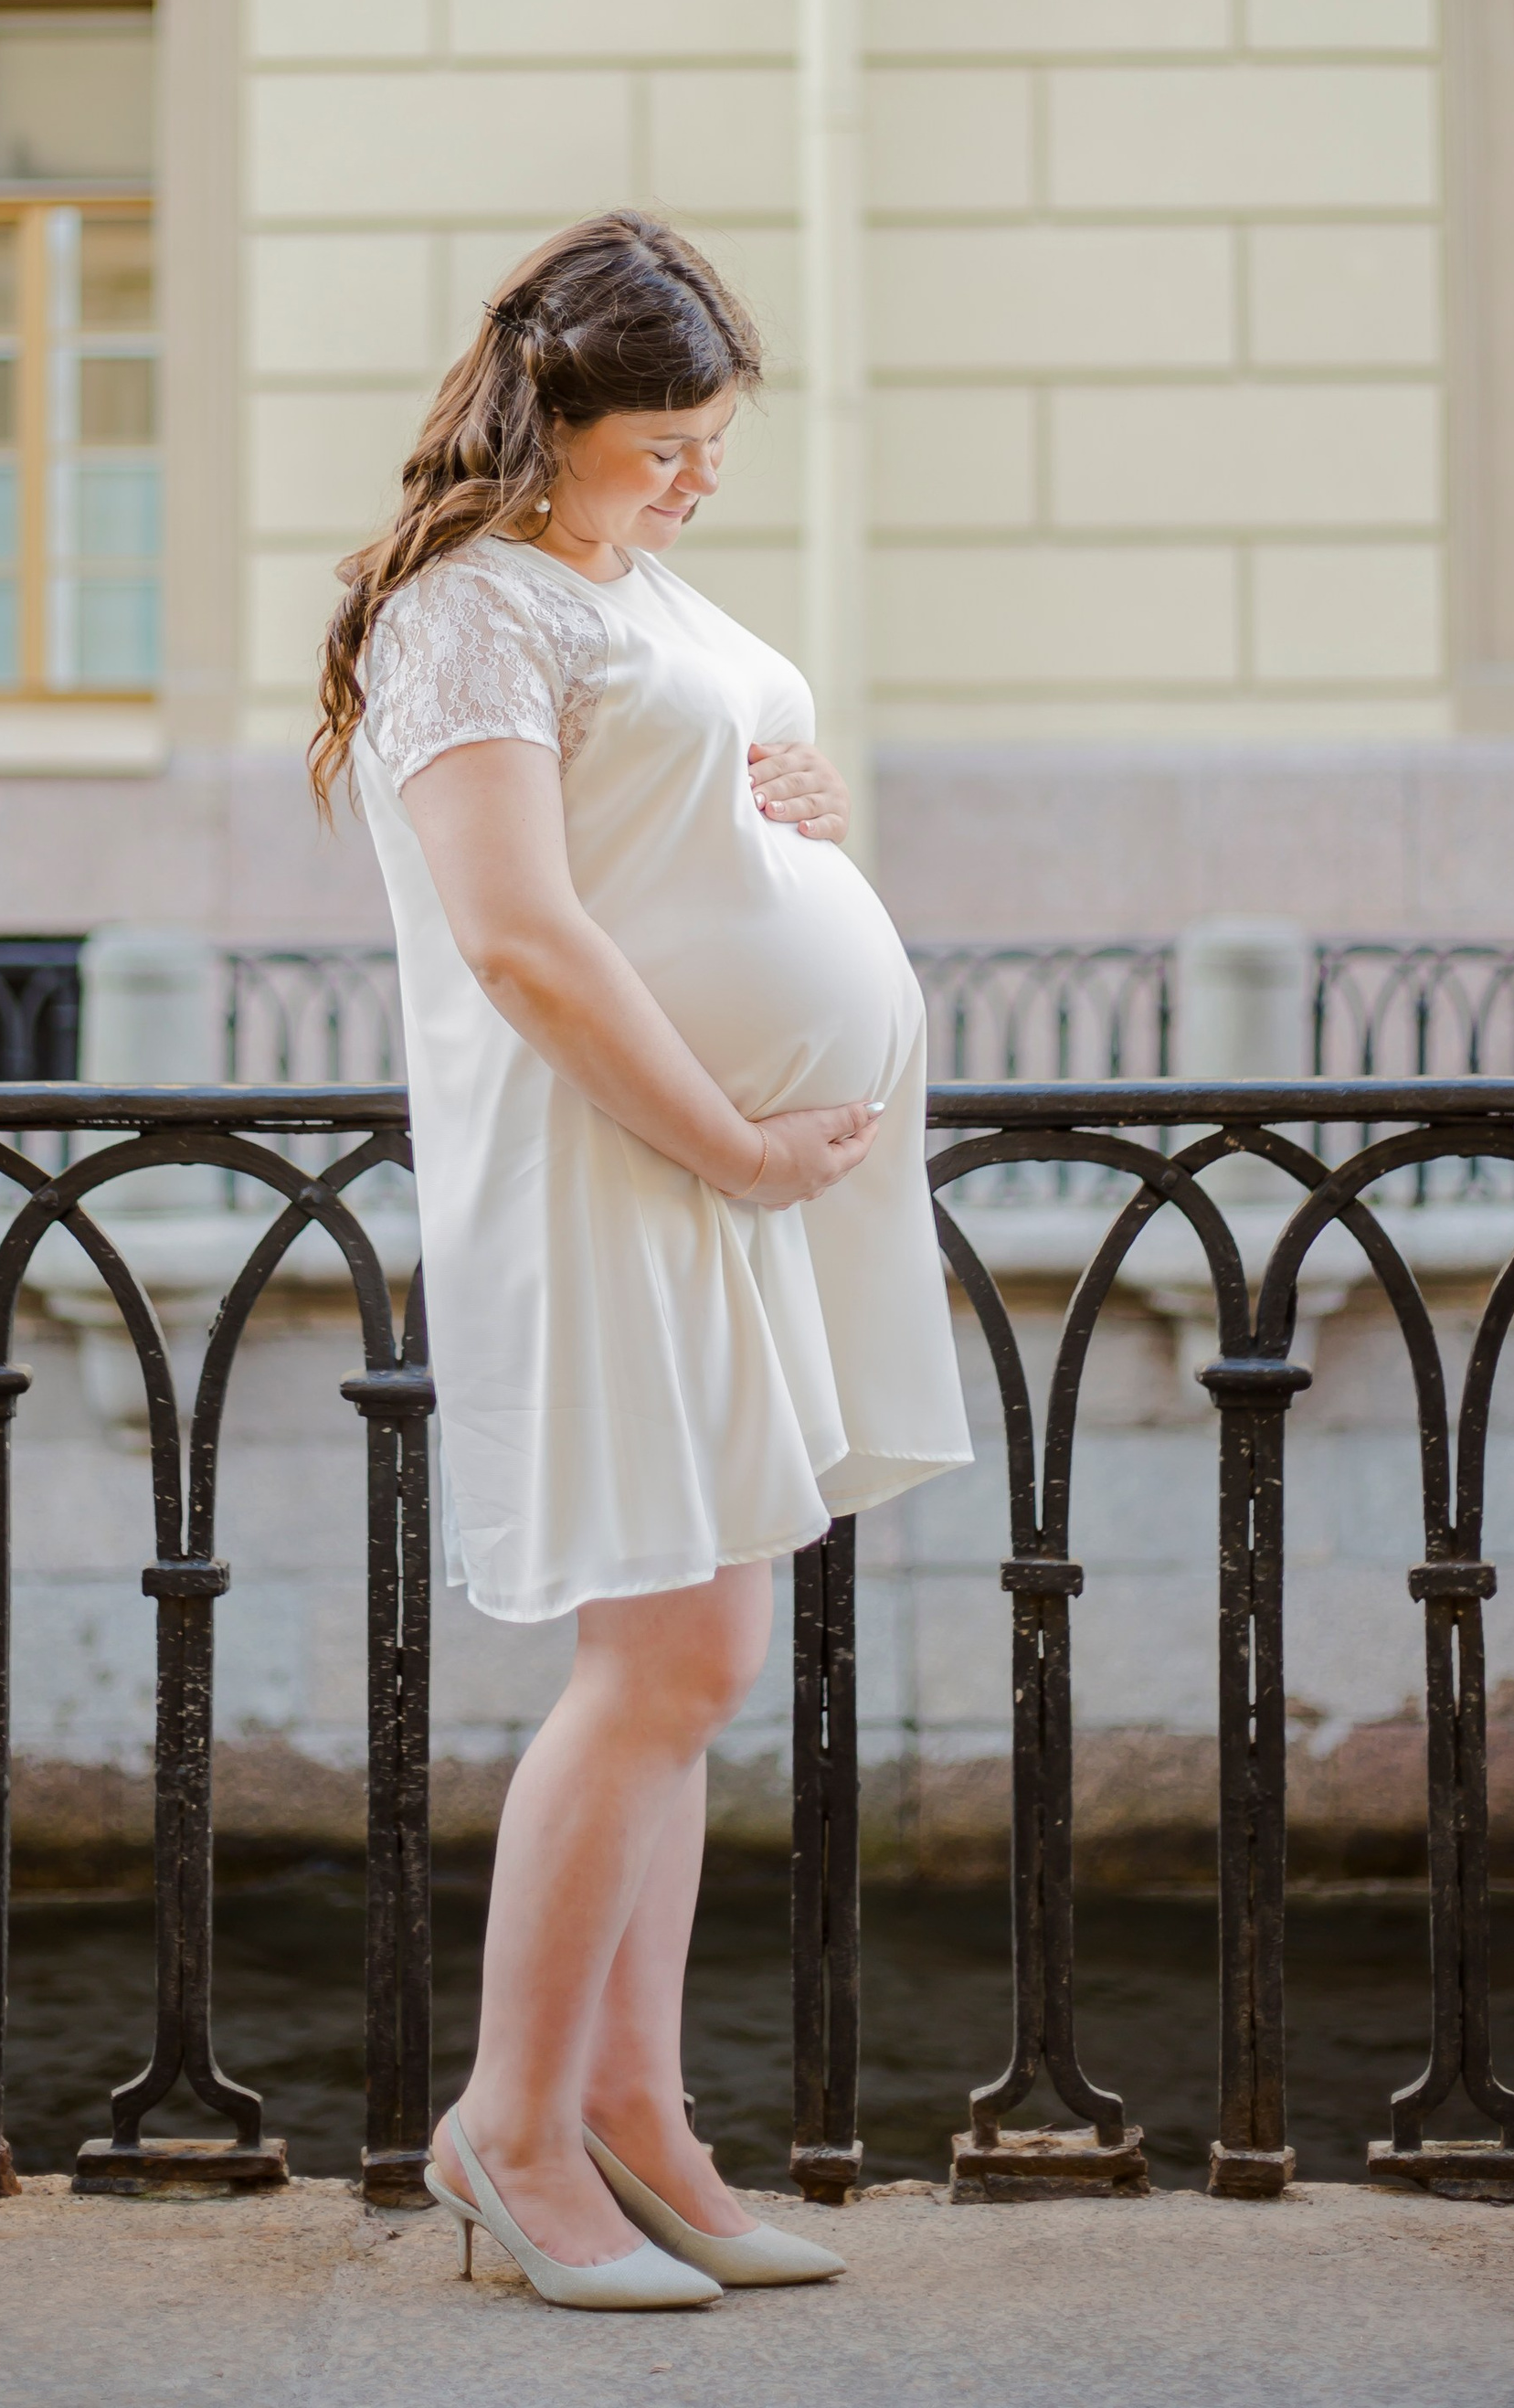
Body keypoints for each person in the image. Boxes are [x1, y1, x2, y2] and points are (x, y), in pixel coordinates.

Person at [311, 209, 970, 2313]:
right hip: (618, 1172)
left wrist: (802, 801)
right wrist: (736, 1138)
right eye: (662, 441)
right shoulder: (465, 614)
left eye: (713, 443)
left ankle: (634, 2119)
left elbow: (685, 808)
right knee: (662, 1669)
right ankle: (508, 2131)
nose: (696, 476)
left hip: (722, 1177)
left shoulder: (626, 581)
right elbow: (518, 935)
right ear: (557, 415)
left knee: (691, 1679)